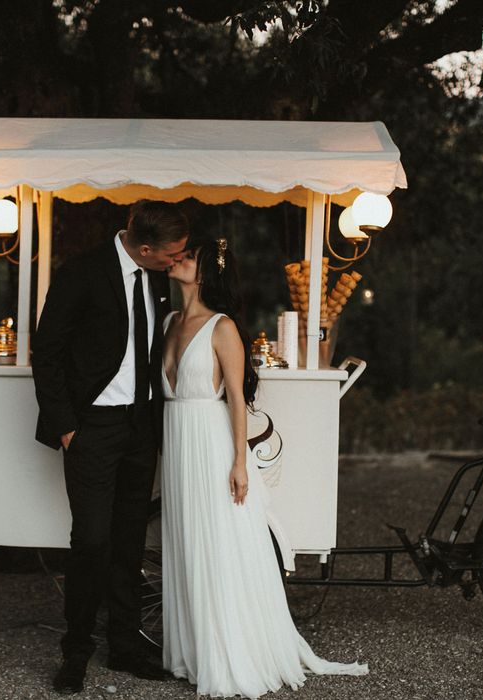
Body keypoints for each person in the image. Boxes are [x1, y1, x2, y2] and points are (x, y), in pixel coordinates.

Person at [160, 232, 369, 698]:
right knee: (187, 539)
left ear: (206, 269)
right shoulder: (171, 320)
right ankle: (193, 649)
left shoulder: (222, 328)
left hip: (211, 445)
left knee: (218, 541)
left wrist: (239, 462)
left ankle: (230, 652)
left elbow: (237, 399)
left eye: (187, 255)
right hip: (177, 444)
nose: (176, 258)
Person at [32, 201, 189, 694]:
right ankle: (76, 651)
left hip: (140, 427)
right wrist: (66, 427)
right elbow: (48, 351)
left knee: (127, 543)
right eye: (172, 254)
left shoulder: (161, 278)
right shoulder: (82, 273)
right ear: (144, 249)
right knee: (92, 542)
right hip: (92, 428)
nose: (178, 260)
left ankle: (124, 648)